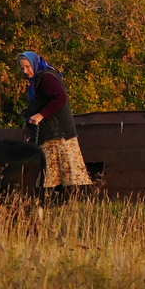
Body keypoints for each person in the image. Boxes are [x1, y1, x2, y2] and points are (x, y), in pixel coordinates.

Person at [20, 50, 92, 196]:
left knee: (63, 175)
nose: (25, 71)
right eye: (22, 68)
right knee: (56, 176)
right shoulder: (39, 77)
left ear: (34, 63)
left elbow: (60, 98)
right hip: (52, 132)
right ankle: (58, 204)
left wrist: (40, 115)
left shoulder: (46, 78)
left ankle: (67, 204)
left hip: (58, 134)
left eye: (28, 66)